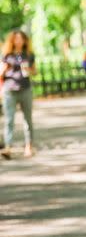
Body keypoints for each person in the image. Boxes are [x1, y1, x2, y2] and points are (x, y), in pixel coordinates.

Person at [0, 29, 36, 159]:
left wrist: (29, 69)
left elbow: (35, 72)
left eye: (21, 38)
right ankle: (8, 147)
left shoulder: (29, 55)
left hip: (25, 89)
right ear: (12, 40)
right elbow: (0, 74)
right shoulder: (7, 55)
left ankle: (29, 146)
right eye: (16, 38)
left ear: (25, 40)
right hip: (10, 90)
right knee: (9, 120)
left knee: (28, 119)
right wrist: (4, 69)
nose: (18, 41)